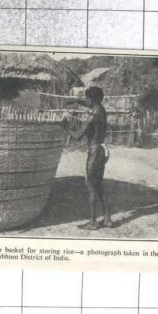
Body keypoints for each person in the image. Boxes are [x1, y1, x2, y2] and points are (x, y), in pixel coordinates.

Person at [61, 87, 112, 230]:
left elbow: (77, 136)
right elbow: (89, 103)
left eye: (87, 98)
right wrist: (75, 101)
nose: (86, 101)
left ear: (91, 99)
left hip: (94, 152)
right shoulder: (101, 109)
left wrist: (65, 126)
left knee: (91, 186)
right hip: (102, 149)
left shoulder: (92, 117)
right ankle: (107, 219)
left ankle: (92, 222)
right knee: (99, 185)